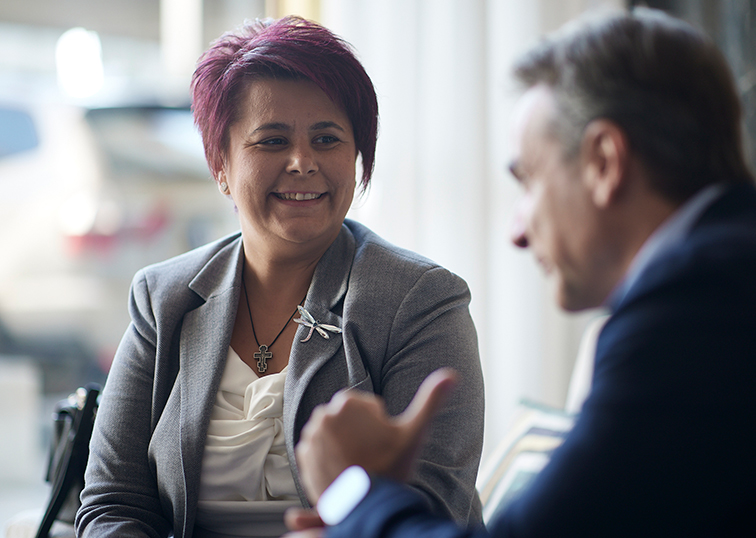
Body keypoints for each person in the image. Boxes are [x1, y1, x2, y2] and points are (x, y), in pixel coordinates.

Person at [284, 7, 756, 538]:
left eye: (528, 182)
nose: (517, 230)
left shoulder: (709, 302)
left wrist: (352, 492)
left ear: (604, 163)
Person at [75, 16, 485, 538]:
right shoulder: (164, 299)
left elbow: (431, 512)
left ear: (356, 156)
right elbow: (114, 501)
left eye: (327, 138)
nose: (302, 162)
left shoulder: (421, 301)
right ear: (220, 162)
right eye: (271, 141)